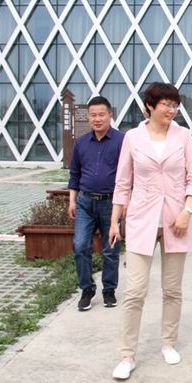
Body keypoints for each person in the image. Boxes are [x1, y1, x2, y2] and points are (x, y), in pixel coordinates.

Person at [110, 83, 192, 380]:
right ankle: (127, 355)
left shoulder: (183, 136)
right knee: (134, 292)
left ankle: (168, 343)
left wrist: (187, 211)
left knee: (172, 290)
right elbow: (123, 182)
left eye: (175, 105)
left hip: (177, 221)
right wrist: (114, 220)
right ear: (150, 105)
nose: (171, 110)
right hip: (141, 220)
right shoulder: (132, 138)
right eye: (166, 104)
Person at [67, 95, 124, 311]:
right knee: (80, 245)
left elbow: (128, 175)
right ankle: (87, 289)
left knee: (111, 249)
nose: (97, 119)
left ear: (110, 115)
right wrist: (72, 200)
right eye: (93, 115)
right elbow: (75, 174)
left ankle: (109, 290)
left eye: (101, 114)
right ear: (88, 117)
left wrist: (125, 203)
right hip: (84, 202)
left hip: (111, 203)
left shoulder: (121, 141)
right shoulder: (81, 143)